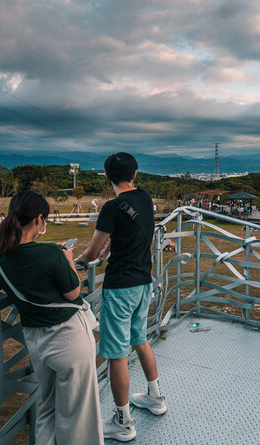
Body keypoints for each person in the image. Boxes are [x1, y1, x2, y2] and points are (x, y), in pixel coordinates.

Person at [0, 191, 102, 444]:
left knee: (49, 406)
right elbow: (72, 292)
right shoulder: (50, 252)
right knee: (79, 416)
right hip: (68, 339)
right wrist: (68, 258)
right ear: (39, 219)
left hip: (36, 341)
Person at [75, 153, 165, 442]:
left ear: (106, 177)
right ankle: (155, 398)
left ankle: (123, 422)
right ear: (135, 175)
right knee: (140, 339)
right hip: (143, 283)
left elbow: (90, 253)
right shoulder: (145, 197)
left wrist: (74, 260)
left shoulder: (111, 208)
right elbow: (134, 228)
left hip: (120, 288)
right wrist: (112, 244)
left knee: (116, 354)